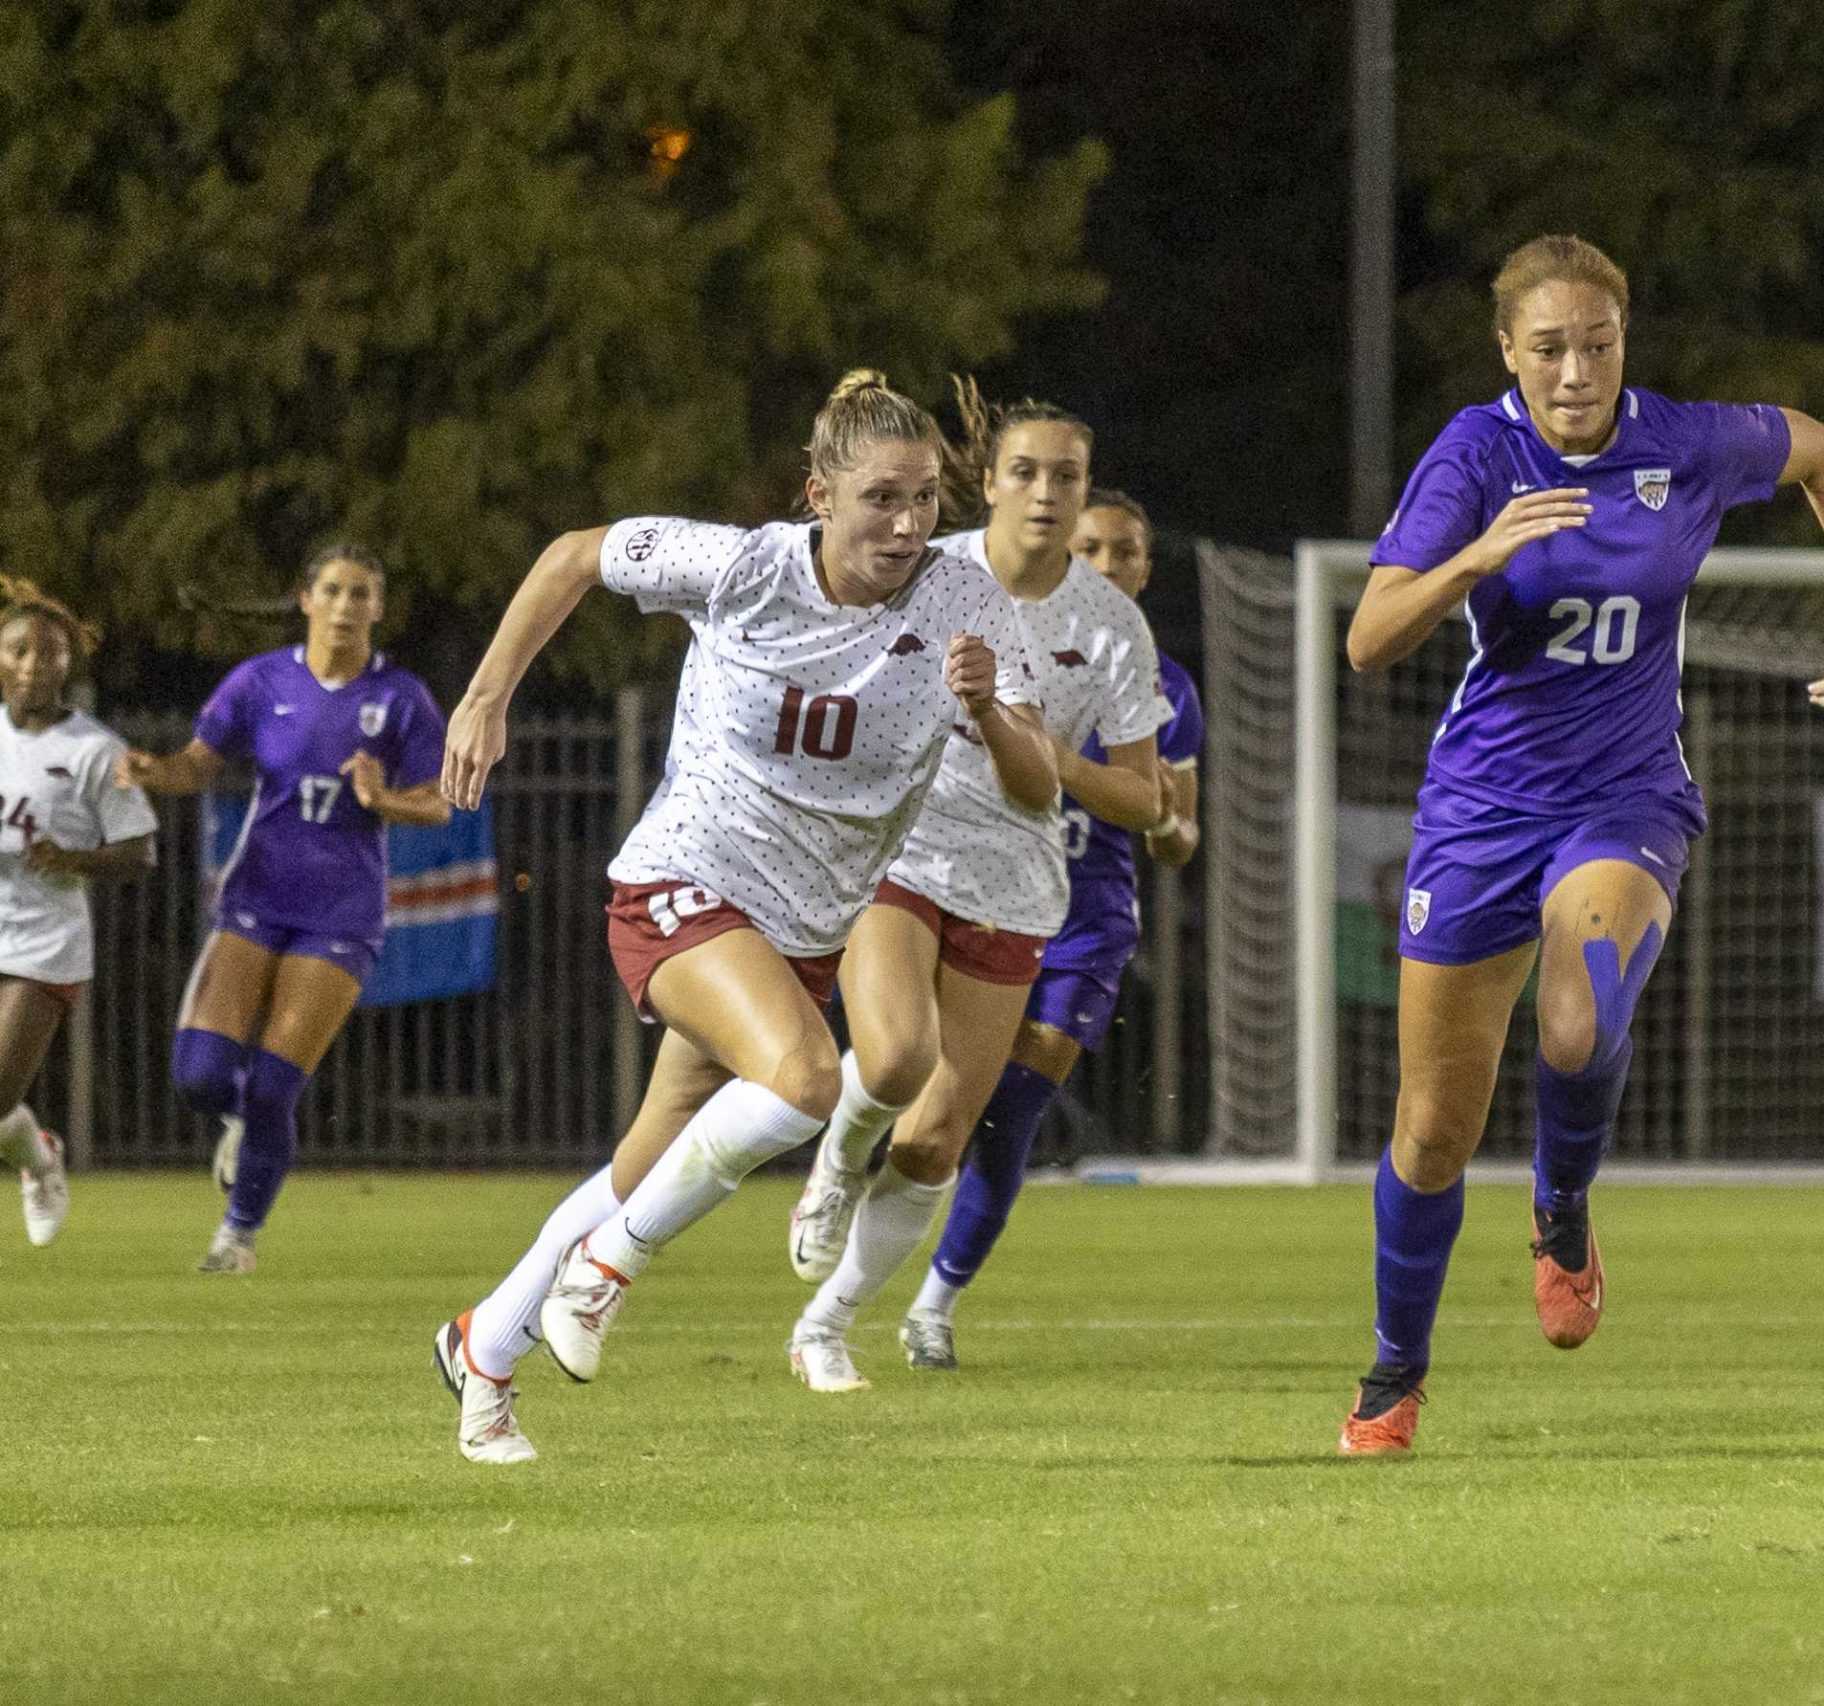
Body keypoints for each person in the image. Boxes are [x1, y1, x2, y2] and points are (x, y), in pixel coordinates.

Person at [1335, 234, 1824, 1456]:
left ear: (1623, 341)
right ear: (1507, 354)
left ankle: (1562, 1199)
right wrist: (1477, 555)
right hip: (1482, 807)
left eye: (1597, 343)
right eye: (1548, 349)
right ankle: (1394, 1372)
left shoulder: (1680, 443)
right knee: (1434, 1127)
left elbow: (1823, 453)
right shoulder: (1475, 454)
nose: (1577, 369)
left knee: (1581, 1019)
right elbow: (1370, 636)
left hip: (1626, 796)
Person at [428, 369, 1052, 1464]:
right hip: (685, 880)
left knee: (645, 1164)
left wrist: (988, 704)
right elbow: (577, 551)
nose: (908, 525)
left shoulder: (966, 605)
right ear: (819, 493)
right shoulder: (745, 566)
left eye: (923, 500)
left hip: (801, 931)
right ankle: (609, 1268)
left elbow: (1039, 785)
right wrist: (486, 696)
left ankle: (485, 1344)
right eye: (880, 499)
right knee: (809, 1081)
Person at [779, 391, 1171, 1392]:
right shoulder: (923, 568)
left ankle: (825, 1325)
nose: (1046, 491)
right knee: (899, 1051)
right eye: (1026, 471)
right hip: (901, 854)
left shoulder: (1110, 622)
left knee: (943, 1132)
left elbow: (1144, 798)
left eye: (1066, 475)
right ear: (988, 481)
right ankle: (835, 1160)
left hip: (1019, 879)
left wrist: (1055, 758)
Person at [890, 488, 1202, 1368]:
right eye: (1095, 547)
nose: (1110, 565)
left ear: (1145, 567)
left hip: (1085, 920)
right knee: (915, 1077)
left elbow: (1178, 833)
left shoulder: (1167, 685)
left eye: (1129, 552)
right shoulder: (1000, 630)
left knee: (1011, 1110)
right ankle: (854, 1190)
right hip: (980, 890)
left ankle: (933, 1307)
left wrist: (1167, 826)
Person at [118, 545, 448, 1273]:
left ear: (378, 608)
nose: (345, 604)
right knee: (201, 1075)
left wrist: (383, 798)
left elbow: (438, 800)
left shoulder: (401, 699)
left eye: (361, 593)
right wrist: (154, 772)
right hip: (256, 898)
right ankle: (240, 1124)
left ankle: (237, 1236)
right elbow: (199, 765)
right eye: (332, 589)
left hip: (341, 911)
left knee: (275, 1085)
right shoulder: (260, 680)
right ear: (305, 598)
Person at [0, 581, 158, 1245]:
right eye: (19, 649)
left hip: (44, 943)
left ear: (69, 664)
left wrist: (73, 858)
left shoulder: (96, 751)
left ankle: (39, 1160)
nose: (35, 662)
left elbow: (139, 850)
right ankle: (35, 1149)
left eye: (50, 652)